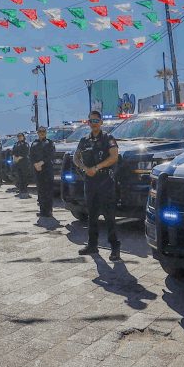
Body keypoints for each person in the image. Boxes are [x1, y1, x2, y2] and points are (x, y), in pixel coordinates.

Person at [73, 111, 121, 261]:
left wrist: (97, 168)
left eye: (96, 120)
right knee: (92, 215)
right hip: (90, 181)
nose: (93, 123)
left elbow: (114, 157)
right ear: (88, 123)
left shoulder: (108, 138)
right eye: (91, 120)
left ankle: (114, 248)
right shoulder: (84, 140)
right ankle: (92, 245)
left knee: (109, 216)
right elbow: (76, 157)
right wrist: (84, 169)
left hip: (104, 181)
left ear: (101, 122)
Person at [30, 126, 57, 217]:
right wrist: (35, 164)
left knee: (48, 190)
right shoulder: (34, 143)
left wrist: (42, 163)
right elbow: (31, 156)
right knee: (40, 190)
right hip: (38, 169)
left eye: (43, 131)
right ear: (37, 133)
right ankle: (42, 210)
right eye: (40, 131)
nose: (42, 133)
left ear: (46, 133)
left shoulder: (49, 143)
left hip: (47, 168)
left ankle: (49, 210)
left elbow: (51, 155)